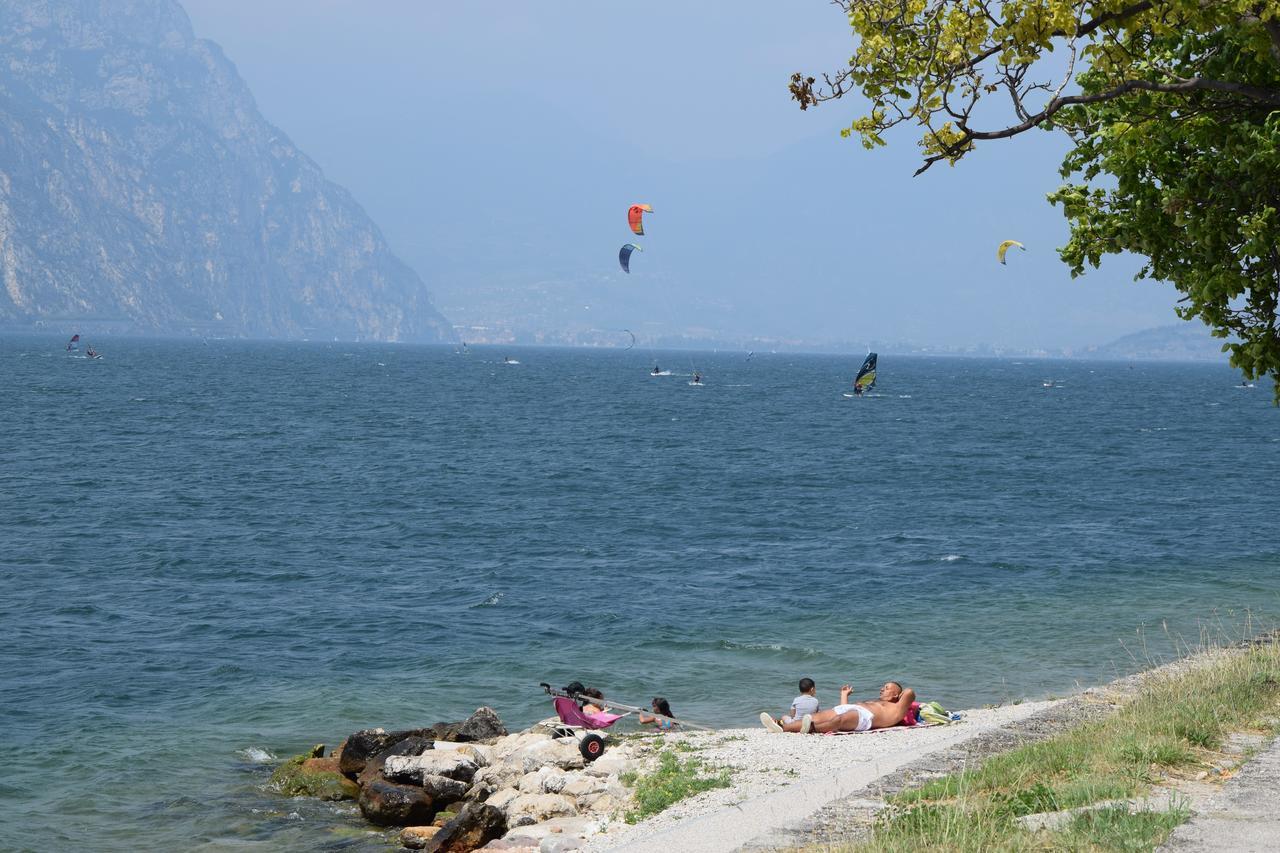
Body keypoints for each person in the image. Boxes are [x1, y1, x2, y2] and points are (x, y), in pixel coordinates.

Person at [778, 682, 916, 734]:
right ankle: (782, 727)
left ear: (897, 693)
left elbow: (909, 692)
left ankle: (811, 728)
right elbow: (845, 707)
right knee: (813, 717)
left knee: (840, 719)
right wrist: (844, 695)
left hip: (864, 717)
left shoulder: (897, 709)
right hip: (850, 708)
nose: (881, 689)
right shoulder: (876, 702)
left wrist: (898, 697)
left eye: (886, 688)